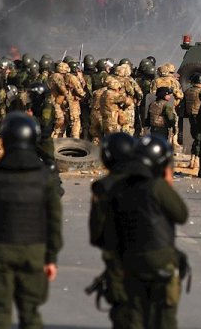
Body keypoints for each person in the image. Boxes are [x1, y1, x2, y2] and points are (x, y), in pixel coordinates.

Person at [0, 113, 63, 329]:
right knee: (30, 312)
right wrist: (51, 256)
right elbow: (54, 219)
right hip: (34, 249)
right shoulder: (44, 176)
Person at [107, 135, 189, 329]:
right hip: (160, 259)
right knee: (164, 316)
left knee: (135, 313)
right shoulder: (157, 186)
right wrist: (167, 183)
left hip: (131, 258)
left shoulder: (121, 187)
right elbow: (181, 214)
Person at [88, 133, 137, 329]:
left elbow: (96, 234)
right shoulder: (149, 182)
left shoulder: (103, 188)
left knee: (123, 313)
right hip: (152, 259)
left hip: (119, 261)